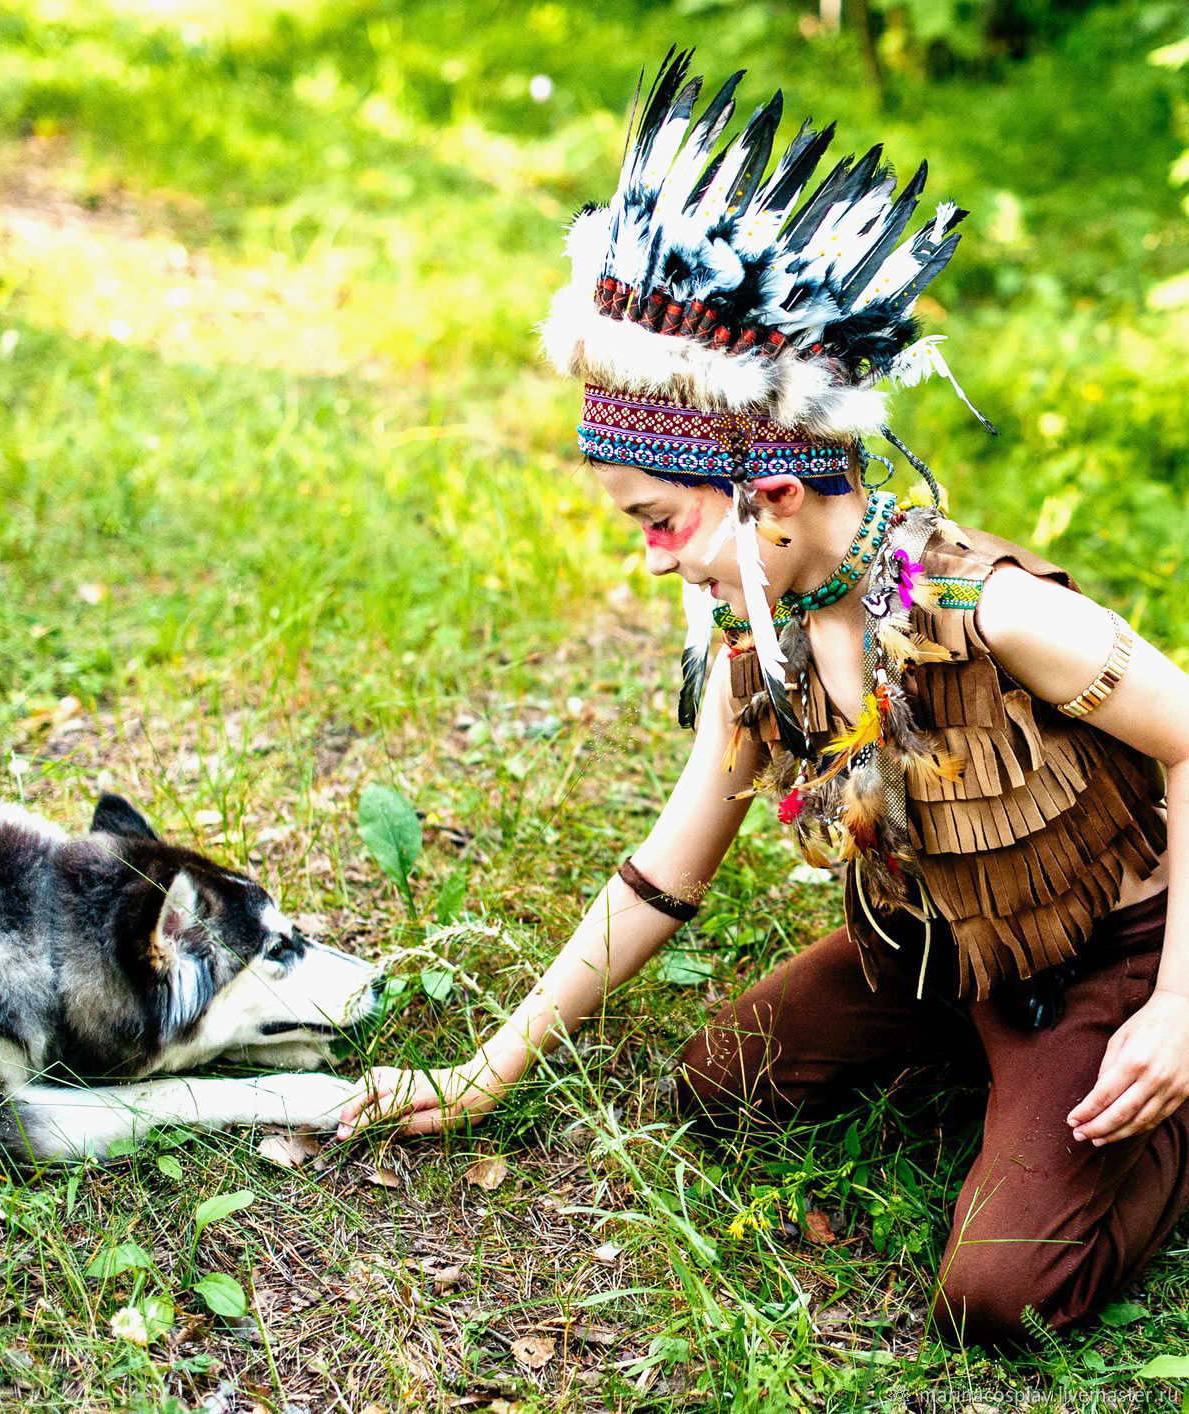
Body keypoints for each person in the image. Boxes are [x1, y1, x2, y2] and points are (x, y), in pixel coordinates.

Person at [336, 50, 1189, 1347]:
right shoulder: (759, 637)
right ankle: (990, 1062)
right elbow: (661, 876)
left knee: (998, 1298)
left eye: (660, 520)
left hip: (1108, 959)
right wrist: (487, 1062)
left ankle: (1146, 1106)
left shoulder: (994, 612)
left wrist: (1179, 1009)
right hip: (936, 943)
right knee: (720, 1086)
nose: (649, 554)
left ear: (772, 497)